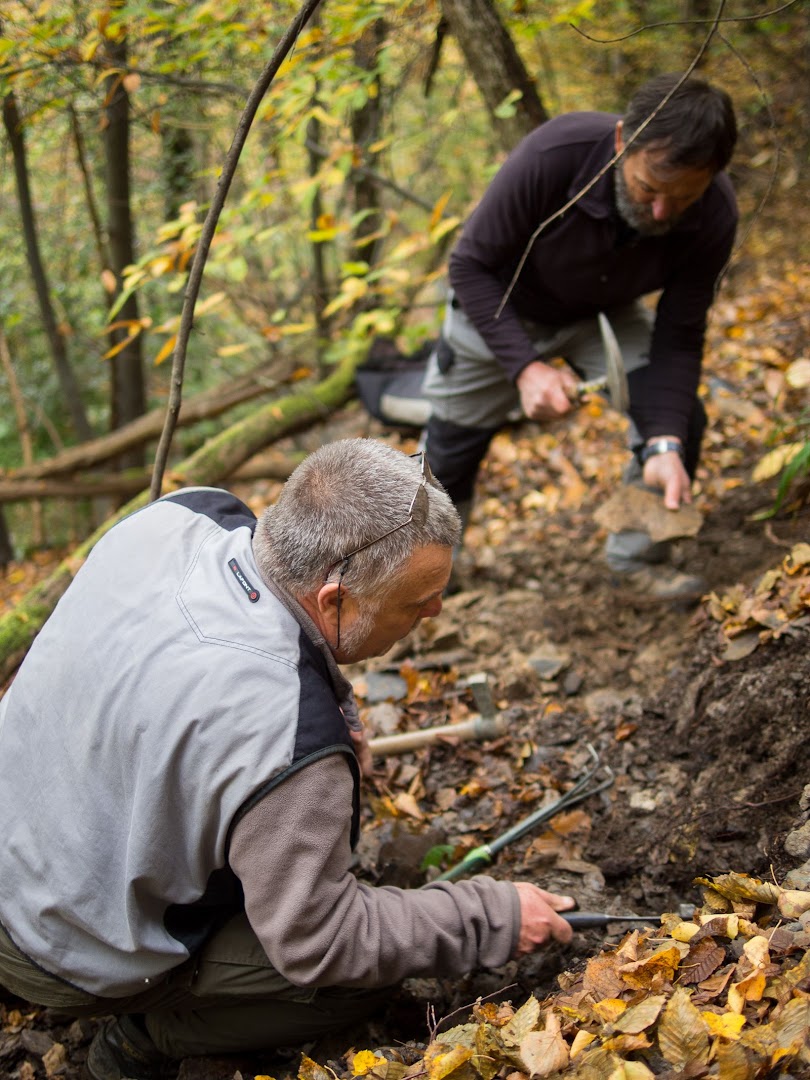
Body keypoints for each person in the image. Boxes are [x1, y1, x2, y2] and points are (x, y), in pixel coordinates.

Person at [0, 439, 575, 1080]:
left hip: (24, 841)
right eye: (416, 604)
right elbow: (321, 941)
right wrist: (484, 917)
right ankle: (140, 1039)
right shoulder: (286, 734)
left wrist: (333, 704)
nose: (435, 612)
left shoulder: (182, 516)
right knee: (363, 977)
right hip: (53, 946)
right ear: (333, 602)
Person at [422, 72, 738, 601]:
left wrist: (664, 441)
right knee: (450, 451)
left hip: (605, 317)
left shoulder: (715, 214)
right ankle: (425, 575)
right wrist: (525, 366)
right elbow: (470, 265)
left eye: (683, 198)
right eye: (649, 189)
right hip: (500, 307)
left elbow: (681, 335)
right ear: (622, 142)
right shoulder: (556, 153)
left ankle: (637, 561)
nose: (661, 212)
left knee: (678, 421)